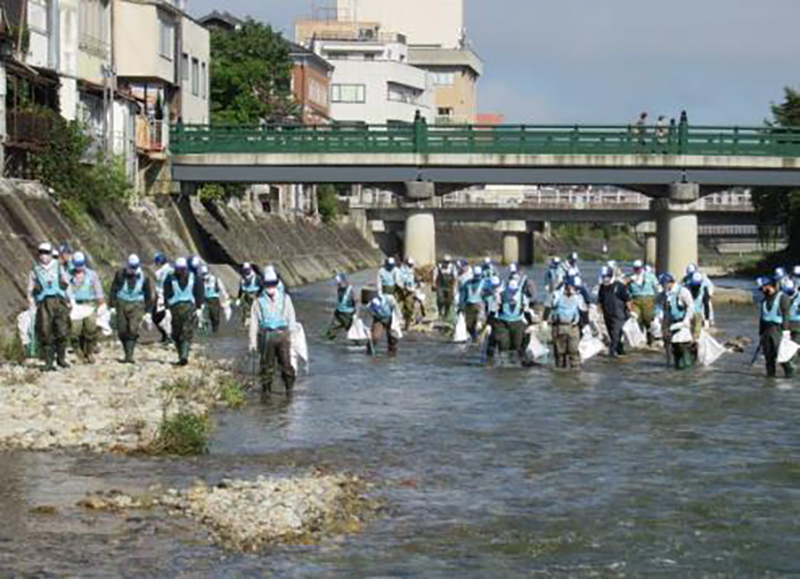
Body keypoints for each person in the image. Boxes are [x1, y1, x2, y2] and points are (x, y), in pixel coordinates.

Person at [249, 266, 297, 394]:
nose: (270, 287)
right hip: (266, 335)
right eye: (268, 284)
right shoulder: (258, 301)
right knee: (266, 366)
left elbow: (291, 317)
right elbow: (254, 323)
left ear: (276, 284)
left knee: (286, 365)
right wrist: (252, 342)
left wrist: (293, 337)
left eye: (272, 284)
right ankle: (266, 392)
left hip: (283, 335)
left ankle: (289, 390)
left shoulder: (285, 298)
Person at [27, 242, 72, 371]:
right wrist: (31, 303)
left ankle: (61, 359)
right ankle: (49, 362)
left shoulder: (58, 266)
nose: (43, 255)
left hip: (59, 301)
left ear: (51, 253)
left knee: (62, 331)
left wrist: (71, 300)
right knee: (46, 332)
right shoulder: (35, 270)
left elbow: (67, 284)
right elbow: (30, 289)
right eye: (41, 252)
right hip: (44, 303)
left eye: (46, 252)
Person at [109, 254, 154, 364]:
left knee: (133, 329)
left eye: (135, 267)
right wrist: (112, 306)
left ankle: (129, 355)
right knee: (122, 329)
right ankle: (126, 351)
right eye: (131, 267)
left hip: (137, 304)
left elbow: (148, 295)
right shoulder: (120, 274)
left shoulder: (144, 276)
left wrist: (148, 311)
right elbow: (113, 289)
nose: (133, 270)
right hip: (121, 302)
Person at [163, 257, 205, 366]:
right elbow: (166, 293)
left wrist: (199, 308)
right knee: (176, 334)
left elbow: (199, 292)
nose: (180, 271)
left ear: (186, 268)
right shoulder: (170, 278)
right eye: (178, 269)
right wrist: (166, 309)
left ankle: (184, 356)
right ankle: (180, 354)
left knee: (187, 332)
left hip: (189, 308)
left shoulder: (194, 277)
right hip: (174, 309)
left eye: (182, 269)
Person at [69, 251, 105, 363]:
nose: (79, 267)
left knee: (90, 329)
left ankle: (89, 352)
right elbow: (64, 288)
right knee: (75, 331)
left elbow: (98, 289)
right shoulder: (68, 274)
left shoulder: (91, 274)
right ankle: (79, 352)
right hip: (75, 305)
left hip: (89, 304)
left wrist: (102, 303)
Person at [659, 273, 696, 370]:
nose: (663, 286)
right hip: (672, 324)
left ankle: (688, 366)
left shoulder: (682, 291)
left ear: (670, 282)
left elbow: (691, 306)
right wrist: (659, 317)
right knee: (675, 346)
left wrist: (687, 319)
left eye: (664, 283)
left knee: (683, 345)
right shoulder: (665, 294)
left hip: (683, 322)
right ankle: (678, 367)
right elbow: (660, 306)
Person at [758, 277, 793, 378]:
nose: (762, 290)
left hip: (778, 330)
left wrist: (786, 331)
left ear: (770, 286)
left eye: (764, 287)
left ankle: (789, 376)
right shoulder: (764, 300)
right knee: (768, 358)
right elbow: (762, 317)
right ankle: (770, 379)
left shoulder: (783, 297)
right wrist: (760, 333)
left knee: (781, 356)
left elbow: (786, 314)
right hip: (766, 331)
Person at [491, 279, 529, 364]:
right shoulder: (500, 295)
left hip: (517, 323)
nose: (512, 293)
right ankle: (504, 364)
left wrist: (530, 325)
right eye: (511, 290)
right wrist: (490, 323)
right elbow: (493, 310)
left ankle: (514, 363)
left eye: (514, 291)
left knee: (517, 344)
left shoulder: (523, 297)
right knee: (503, 344)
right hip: (502, 323)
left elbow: (526, 312)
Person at [550, 277, 585, 369]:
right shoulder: (557, 295)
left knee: (573, 351)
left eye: (573, 287)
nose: (571, 289)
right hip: (559, 327)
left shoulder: (578, 297)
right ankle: (560, 372)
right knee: (559, 353)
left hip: (573, 327)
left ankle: (575, 373)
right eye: (569, 287)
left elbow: (584, 311)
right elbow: (552, 305)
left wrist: (585, 326)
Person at [597, 265, 630, 357]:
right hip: (607, 315)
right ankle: (620, 351)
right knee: (612, 334)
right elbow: (600, 300)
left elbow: (627, 299)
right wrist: (599, 313)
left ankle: (612, 353)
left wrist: (630, 312)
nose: (604, 279)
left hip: (619, 315)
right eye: (603, 277)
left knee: (616, 335)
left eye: (606, 277)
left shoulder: (619, 286)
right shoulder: (602, 287)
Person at [626, 260, 660, 343]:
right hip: (636, 300)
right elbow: (625, 288)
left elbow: (657, 287)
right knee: (636, 319)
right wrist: (629, 280)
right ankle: (639, 340)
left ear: (642, 268)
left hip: (648, 299)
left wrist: (658, 300)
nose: (637, 270)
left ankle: (651, 339)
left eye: (638, 268)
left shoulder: (650, 276)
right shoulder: (630, 277)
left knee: (648, 319)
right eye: (635, 268)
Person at [327, 273, 356, 340]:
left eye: (339, 283)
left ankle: (358, 345)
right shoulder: (339, 289)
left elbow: (356, 301)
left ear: (344, 281)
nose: (338, 285)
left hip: (348, 314)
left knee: (352, 332)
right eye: (338, 284)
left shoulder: (351, 290)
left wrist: (355, 314)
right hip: (339, 313)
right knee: (331, 331)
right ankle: (329, 341)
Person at [200, 265, 229, 334]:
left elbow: (222, 289)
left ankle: (215, 331)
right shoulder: (200, 280)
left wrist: (226, 298)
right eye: (203, 274)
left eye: (205, 274)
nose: (204, 276)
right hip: (204, 300)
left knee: (215, 317)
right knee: (204, 316)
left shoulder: (215, 280)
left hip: (214, 300)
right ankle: (205, 330)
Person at [460, 266, 486, 341]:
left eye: (478, 275)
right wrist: (461, 306)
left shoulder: (485, 283)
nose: (477, 277)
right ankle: (474, 337)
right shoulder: (467, 284)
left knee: (479, 323)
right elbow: (463, 295)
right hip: (469, 306)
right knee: (469, 325)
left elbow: (490, 295)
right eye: (476, 275)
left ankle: (479, 337)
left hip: (480, 306)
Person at [153, 252, 173, 344]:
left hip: (162, 296)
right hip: (171, 296)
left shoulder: (160, 272)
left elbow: (158, 287)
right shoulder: (172, 270)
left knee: (159, 317)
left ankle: (168, 336)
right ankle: (168, 336)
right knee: (166, 316)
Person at [434, 255, 458, 322]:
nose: (446, 263)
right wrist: (434, 284)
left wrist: (454, 286)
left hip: (449, 286)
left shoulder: (453, 267)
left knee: (449, 301)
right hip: (440, 286)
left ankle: (446, 314)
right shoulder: (439, 266)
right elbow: (435, 275)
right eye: (445, 261)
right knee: (440, 299)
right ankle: (440, 312)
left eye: (448, 262)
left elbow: (455, 277)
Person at [237, 263, 262, 328]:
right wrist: (238, 298)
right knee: (245, 309)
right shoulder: (242, 279)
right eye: (245, 270)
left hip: (255, 294)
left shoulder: (257, 277)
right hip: (246, 295)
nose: (246, 271)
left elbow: (262, 287)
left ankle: (259, 323)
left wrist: (259, 295)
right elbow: (241, 289)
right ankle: (246, 323)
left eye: (247, 270)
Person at [397, 258, 418, 329]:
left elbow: (414, 280)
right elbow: (399, 280)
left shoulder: (412, 270)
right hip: (403, 290)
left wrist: (416, 284)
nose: (411, 265)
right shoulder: (401, 270)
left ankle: (407, 323)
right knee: (401, 306)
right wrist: (403, 287)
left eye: (411, 264)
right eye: (410, 264)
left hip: (411, 290)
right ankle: (399, 321)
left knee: (410, 307)